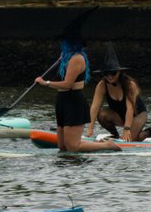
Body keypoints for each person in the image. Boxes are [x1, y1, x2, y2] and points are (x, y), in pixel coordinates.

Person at [35, 15, 120, 152]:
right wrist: (63, 59)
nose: (61, 44)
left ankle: (107, 145)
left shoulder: (77, 59)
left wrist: (46, 83)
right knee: (63, 146)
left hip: (73, 101)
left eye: (64, 41)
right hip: (62, 101)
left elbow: (68, 84)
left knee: (73, 146)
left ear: (70, 43)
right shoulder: (67, 58)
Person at [86, 54, 150, 142]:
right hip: (119, 116)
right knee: (101, 114)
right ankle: (115, 135)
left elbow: (130, 109)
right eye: (106, 73)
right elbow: (94, 107)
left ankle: (149, 132)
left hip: (137, 115)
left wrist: (127, 129)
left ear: (119, 72)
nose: (109, 76)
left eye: (113, 72)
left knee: (132, 140)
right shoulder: (102, 85)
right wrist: (90, 129)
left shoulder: (129, 85)